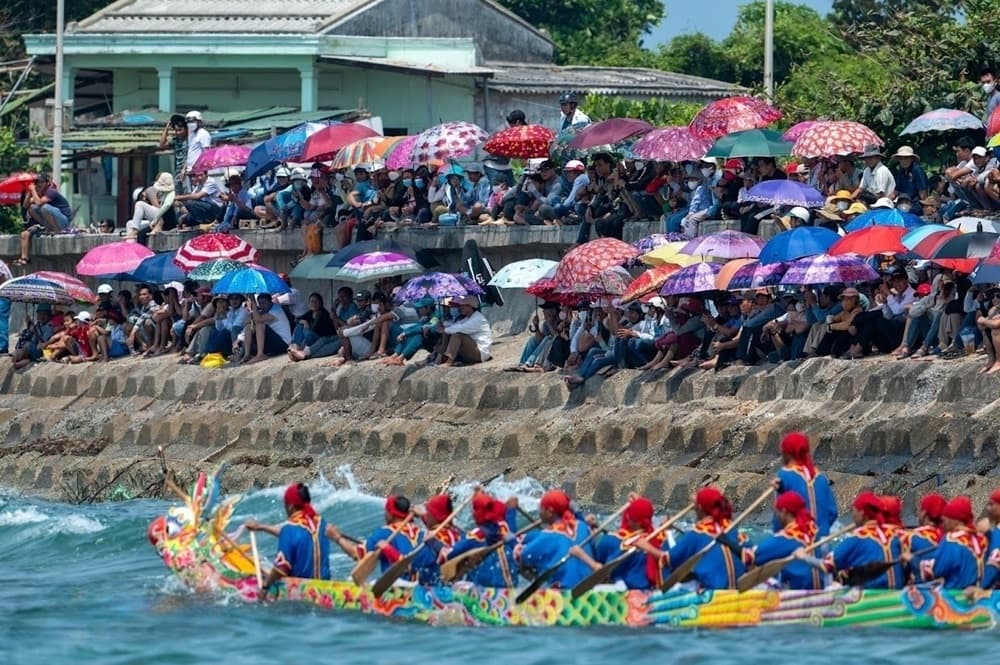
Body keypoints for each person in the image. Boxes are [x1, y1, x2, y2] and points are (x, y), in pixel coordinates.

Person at [653, 487, 747, 590]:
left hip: (713, 592)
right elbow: (753, 558)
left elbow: (668, 559)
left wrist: (644, 544)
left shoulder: (697, 533)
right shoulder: (734, 530)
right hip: (739, 589)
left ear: (700, 509)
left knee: (665, 564)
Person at [804, 491, 903, 589]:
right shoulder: (898, 534)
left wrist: (803, 556)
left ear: (862, 513)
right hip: (900, 593)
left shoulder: (858, 536)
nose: (853, 515)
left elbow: (826, 566)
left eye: (854, 511)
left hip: (871, 598)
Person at [244, 482, 332, 590]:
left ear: (290, 506)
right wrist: (259, 527)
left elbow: (281, 568)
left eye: (285, 504)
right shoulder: (321, 523)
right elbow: (294, 535)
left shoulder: (290, 529)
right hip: (326, 587)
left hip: (302, 592)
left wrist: (265, 586)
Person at [575, 495, 662, 590]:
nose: (627, 517)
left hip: (627, 586)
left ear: (636, 522)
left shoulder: (611, 541)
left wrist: (582, 554)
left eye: (629, 516)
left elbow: (602, 568)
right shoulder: (657, 539)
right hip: (646, 586)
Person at [742, 491, 822, 590]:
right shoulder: (816, 531)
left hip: (799, 591)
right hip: (823, 585)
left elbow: (750, 557)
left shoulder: (787, 537)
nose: (777, 516)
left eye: (778, 512)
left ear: (784, 512)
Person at [328, 495, 424, 577]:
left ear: (391, 514)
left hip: (399, 587)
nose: (385, 514)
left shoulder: (385, 532)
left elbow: (357, 554)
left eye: (386, 511)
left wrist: (337, 538)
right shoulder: (421, 533)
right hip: (422, 587)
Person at [516, 489, 593, 589]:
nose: (539, 512)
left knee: (518, 557)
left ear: (550, 511)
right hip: (589, 583)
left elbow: (525, 556)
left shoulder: (548, 535)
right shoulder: (582, 525)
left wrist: (514, 543)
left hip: (564, 589)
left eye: (541, 509)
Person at [907, 496, 986, 589]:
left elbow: (935, 570)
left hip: (958, 596)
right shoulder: (982, 539)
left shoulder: (952, 540)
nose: (943, 525)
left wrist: (912, 559)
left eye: (944, 521)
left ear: (955, 520)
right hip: (982, 594)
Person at [445, 492, 520, 587]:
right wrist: (511, 510)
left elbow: (450, 554)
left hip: (487, 591)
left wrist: (432, 542)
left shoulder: (476, 536)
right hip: (511, 586)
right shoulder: (504, 527)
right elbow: (512, 531)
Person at [774, 432, 838, 537]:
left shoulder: (784, 475)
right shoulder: (821, 478)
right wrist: (822, 531)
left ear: (787, 454)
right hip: (821, 540)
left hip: (797, 541)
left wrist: (779, 539)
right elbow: (833, 512)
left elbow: (780, 514)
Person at [16, 173, 73, 266]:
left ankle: (56, 230)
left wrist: (33, 190)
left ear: (47, 183)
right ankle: (48, 228)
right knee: (31, 208)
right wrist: (30, 192)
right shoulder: (38, 193)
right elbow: (26, 206)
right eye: (37, 182)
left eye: (41, 182)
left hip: (63, 220)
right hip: (50, 220)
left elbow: (38, 203)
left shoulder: (51, 192)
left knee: (44, 207)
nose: (39, 185)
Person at [901, 493, 946, 582]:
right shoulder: (950, 536)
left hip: (921, 589)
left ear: (924, 513)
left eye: (920, 509)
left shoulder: (911, 537)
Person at [235, 293, 291, 364]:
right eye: (260, 303)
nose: (262, 306)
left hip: (283, 343)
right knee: (249, 326)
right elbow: (247, 321)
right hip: (271, 342)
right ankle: (247, 354)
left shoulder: (276, 310)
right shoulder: (263, 311)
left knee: (259, 324)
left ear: (270, 302)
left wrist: (253, 301)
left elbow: (258, 319)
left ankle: (260, 354)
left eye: (264, 302)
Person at [437, 295, 492, 366]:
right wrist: (444, 326)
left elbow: (461, 328)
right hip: (472, 350)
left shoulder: (478, 319)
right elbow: (456, 325)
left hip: (480, 354)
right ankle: (437, 359)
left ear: (470, 307)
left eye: (463, 306)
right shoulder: (468, 318)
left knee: (457, 335)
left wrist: (445, 330)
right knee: (447, 333)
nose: (460, 308)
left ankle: (449, 362)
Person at [126, 172, 176, 238]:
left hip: (165, 219)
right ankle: (132, 241)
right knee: (130, 224)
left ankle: (135, 230)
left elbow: (160, 207)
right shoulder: (163, 192)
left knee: (140, 204)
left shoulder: (152, 190)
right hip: (163, 219)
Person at [182, 110, 212, 184]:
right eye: (188, 122)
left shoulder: (203, 134)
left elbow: (206, 153)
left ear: (199, 122)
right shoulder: (191, 135)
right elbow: (190, 153)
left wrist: (201, 170)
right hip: (190, 170)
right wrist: (184, 168)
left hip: (199, 172)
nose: (190, 124)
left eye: (192, 122)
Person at [158, 114, 188, 188]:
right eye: (176, 130)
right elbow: (162, 144)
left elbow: (191, 156)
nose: (178, 133)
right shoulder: (176, 140)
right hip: (177, 171)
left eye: (180, 130)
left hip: (187, 171)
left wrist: (184, 168)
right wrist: (166, 129)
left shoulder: (190, 140)